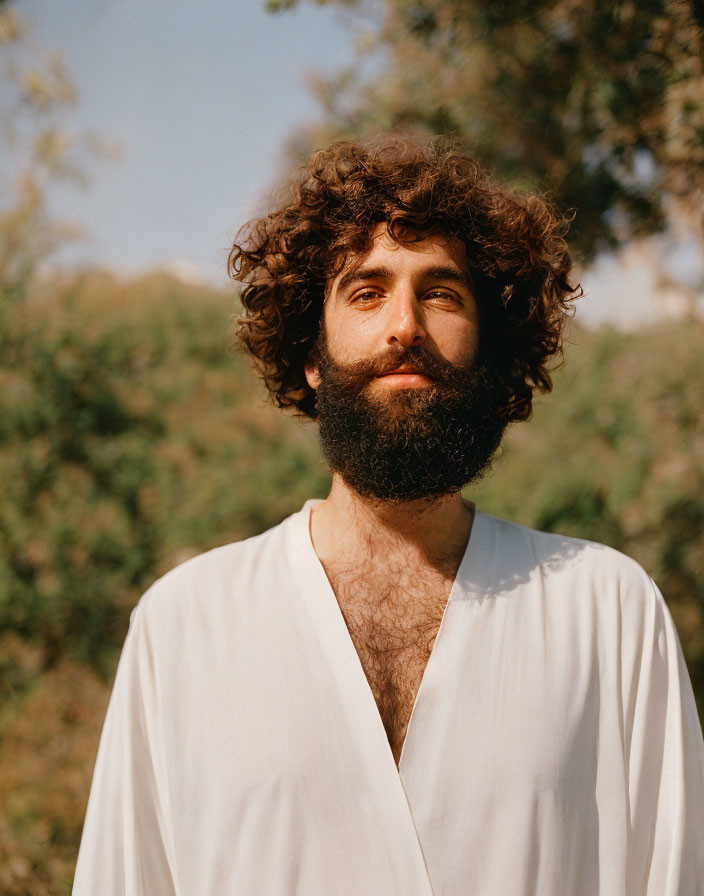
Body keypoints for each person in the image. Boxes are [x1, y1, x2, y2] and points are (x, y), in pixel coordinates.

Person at [73, 137, 704, 895]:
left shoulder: (608, 610)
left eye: (441, 292)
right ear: (312, 354)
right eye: (367, 292)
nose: (404, 325)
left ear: (490, 352)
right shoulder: (184, 627)